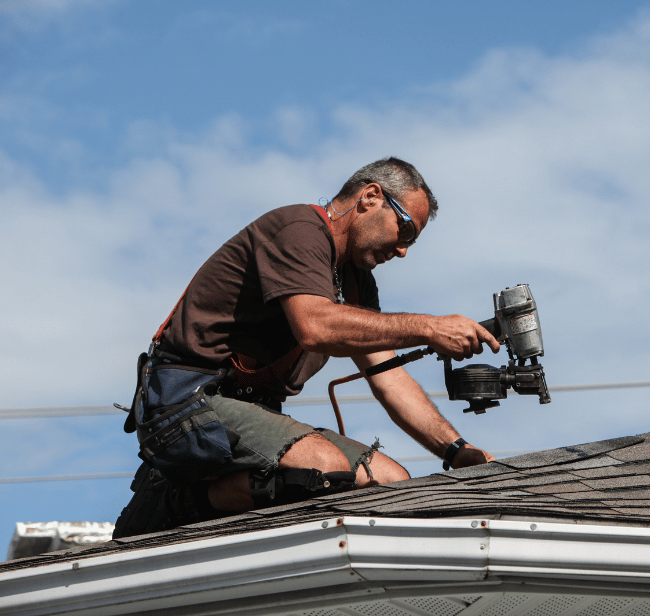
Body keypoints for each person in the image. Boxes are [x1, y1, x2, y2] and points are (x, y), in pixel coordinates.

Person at [113, 157, 500, 538]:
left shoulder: (357, 282)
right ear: (370, 197)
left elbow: (389, 377)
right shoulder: (299, 230)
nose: (403, 250)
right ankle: (170, 500)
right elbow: (314, 326)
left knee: (388, 482)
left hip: (246, 413)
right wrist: (430, 328)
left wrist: (455, 451)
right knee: (321, 467)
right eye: (406, 231)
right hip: (186, 405)